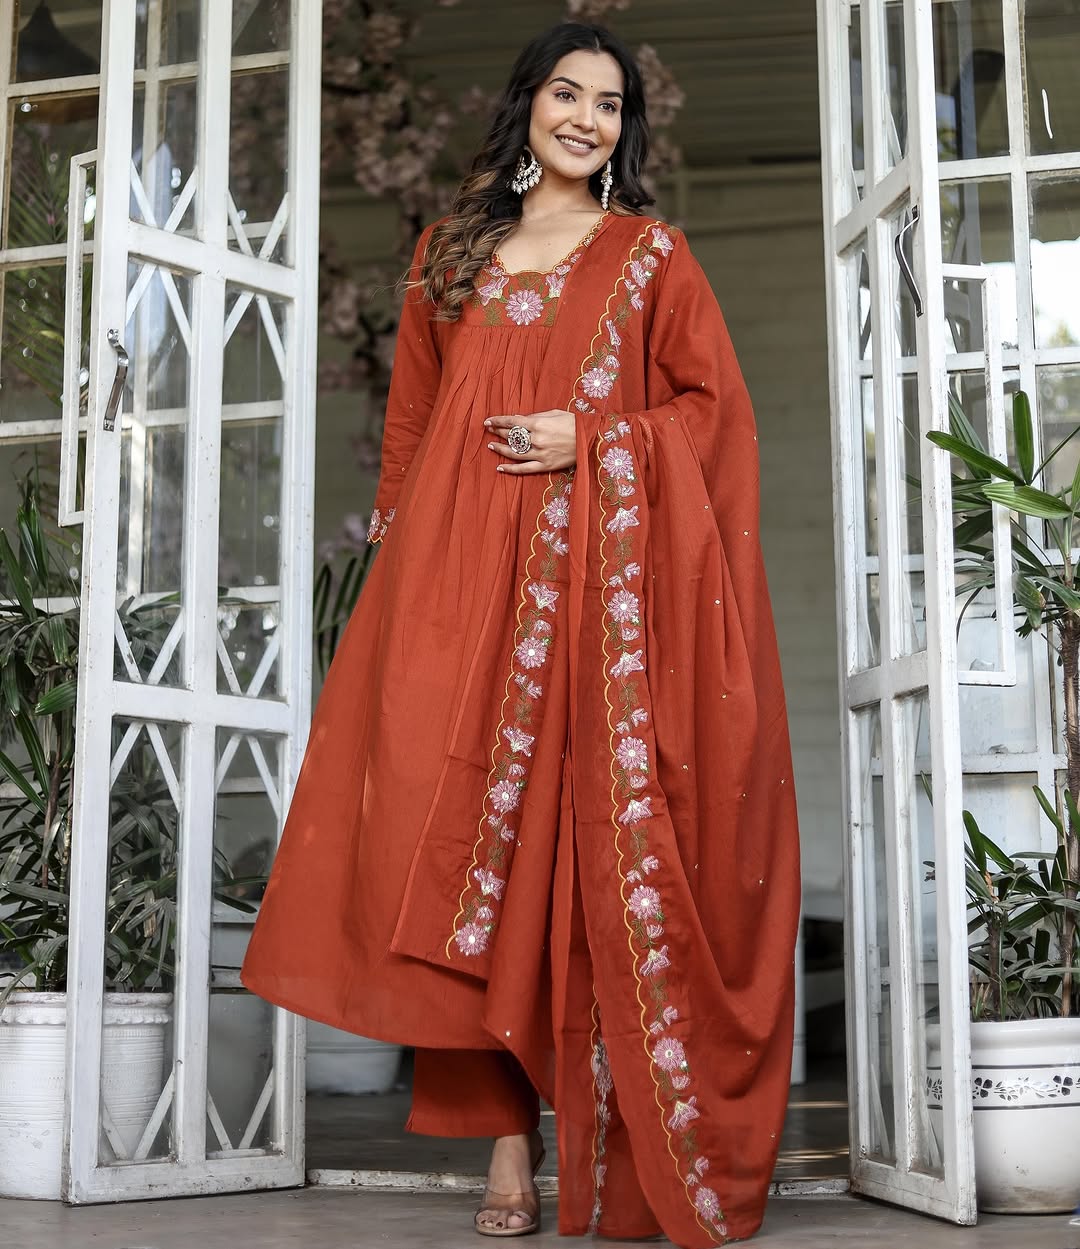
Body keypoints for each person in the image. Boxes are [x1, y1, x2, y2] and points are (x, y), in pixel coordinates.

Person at [242, 20, 800, 1248]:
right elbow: (414, 427)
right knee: (459, 868)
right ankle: (508, 1147)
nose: (588, 119)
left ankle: (594, 1137)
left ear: (625, 133)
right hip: (456, 593)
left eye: (611, 105)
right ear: (528, 106)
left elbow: (712, 413)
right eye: (568, 93)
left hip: (597, 607)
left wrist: (594, 440)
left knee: (568, 860)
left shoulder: (650, 257)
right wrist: (399, 589)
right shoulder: (452, 252)